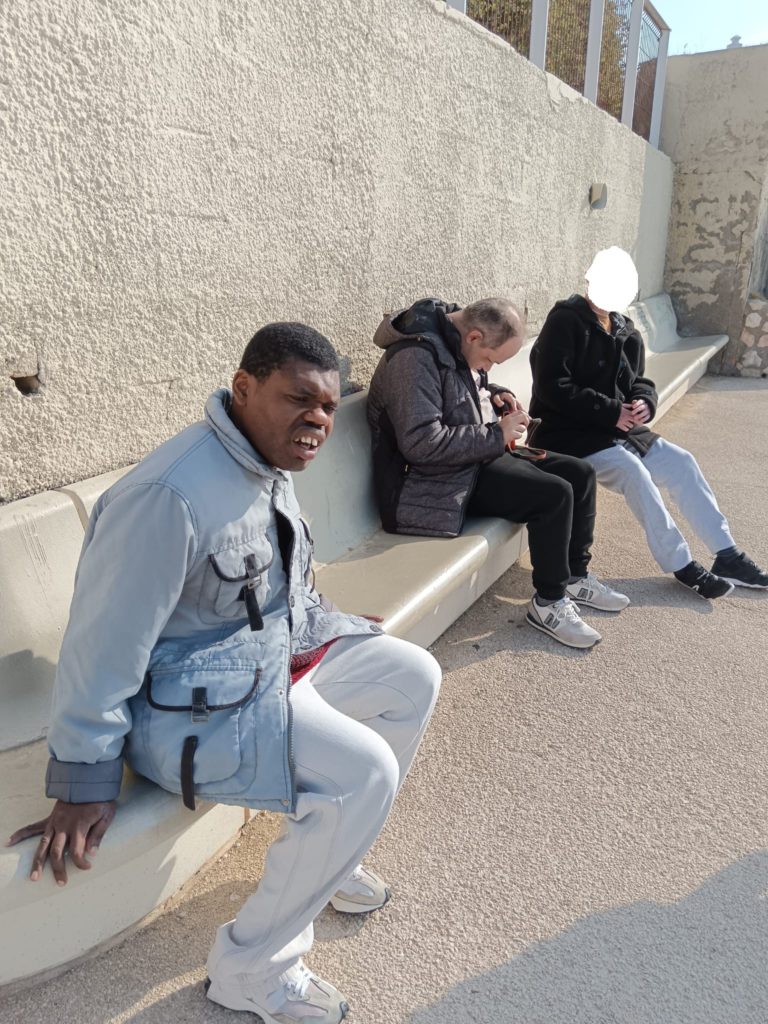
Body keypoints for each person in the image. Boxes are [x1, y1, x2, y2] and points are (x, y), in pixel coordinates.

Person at [7, 323, 442, 1024]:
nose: (319, 420)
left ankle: (331, 857)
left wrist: (330, 624)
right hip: (184, 707)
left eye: (329, 406)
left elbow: (275, 587)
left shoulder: (268, 460)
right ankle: (252, 971)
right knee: (362, 772)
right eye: (299, 399)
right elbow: (100, 647)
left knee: (412, 675)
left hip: (263, 665)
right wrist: (84, 779)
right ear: (244, 388)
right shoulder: (170, 496)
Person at [366, 297, 629, 651]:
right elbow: (421, 444)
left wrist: (494, 394)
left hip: (467, 462)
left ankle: (575, 576)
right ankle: (548, 603)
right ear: (474, 336)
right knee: (553, 494)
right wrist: (496, 434)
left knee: (579, 473)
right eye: (491, 360)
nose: (488, 367)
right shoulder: (413, 359)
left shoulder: (453, 337)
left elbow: (459, 387)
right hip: (427, 485)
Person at [529, 247, 768, 598]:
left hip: (622, 432)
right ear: (589, 280)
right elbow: (551, 387)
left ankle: (727, 554)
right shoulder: (564, 321)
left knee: (682, 462)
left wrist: (645, 402)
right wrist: (612, 412)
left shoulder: (625, 329)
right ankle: (682, 564)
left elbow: (638, 380)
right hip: (570, 435)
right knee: (634, 473)